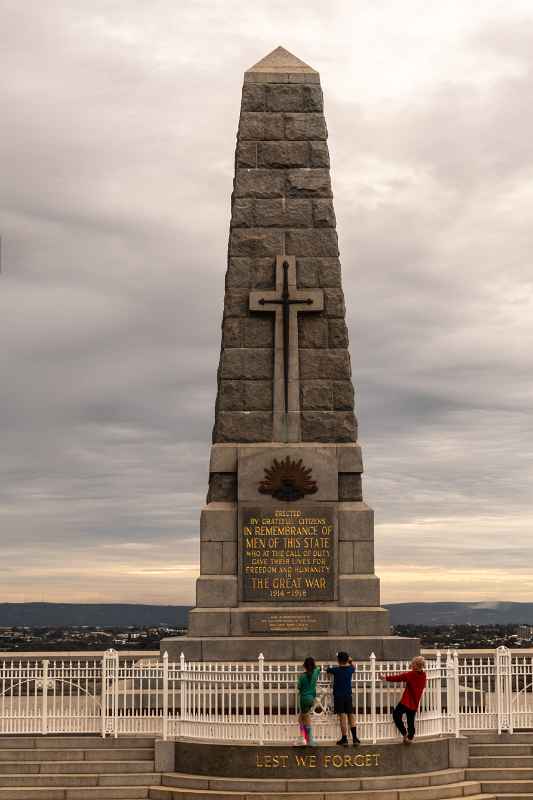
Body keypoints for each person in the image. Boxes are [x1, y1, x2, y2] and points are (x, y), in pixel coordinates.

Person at [380, 656, 427, 744]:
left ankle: (404, 733)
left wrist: (385, 677)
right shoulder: (423, 675)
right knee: (410, 721)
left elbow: (398, 678)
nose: (411, 665)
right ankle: (410, 737)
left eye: (412, 663)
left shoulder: (411, 674)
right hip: (415, 703)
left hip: (406, 701)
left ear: (415, 665)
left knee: (396, 715)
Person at [326, 651, 360, 746]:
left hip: (338, 696)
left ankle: (344, 739)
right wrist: (351, 661)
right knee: (350, 715)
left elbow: (328, 670)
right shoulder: (350, 669)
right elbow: (354, 668)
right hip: (348, 695)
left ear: (338, 660)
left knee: (342, 717)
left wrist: (327, 669)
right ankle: (355, 738)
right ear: (347, 660)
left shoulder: (336, 670)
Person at [297, 656, 320, 745]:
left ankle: (308, 740)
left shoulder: (302, 676)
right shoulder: (315, 673)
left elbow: (299, 687)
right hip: (311, 698)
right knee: (302, 718)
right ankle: (303, 738)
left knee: (305, 718)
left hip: (304, 698)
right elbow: (319, 668)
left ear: (305, 666)